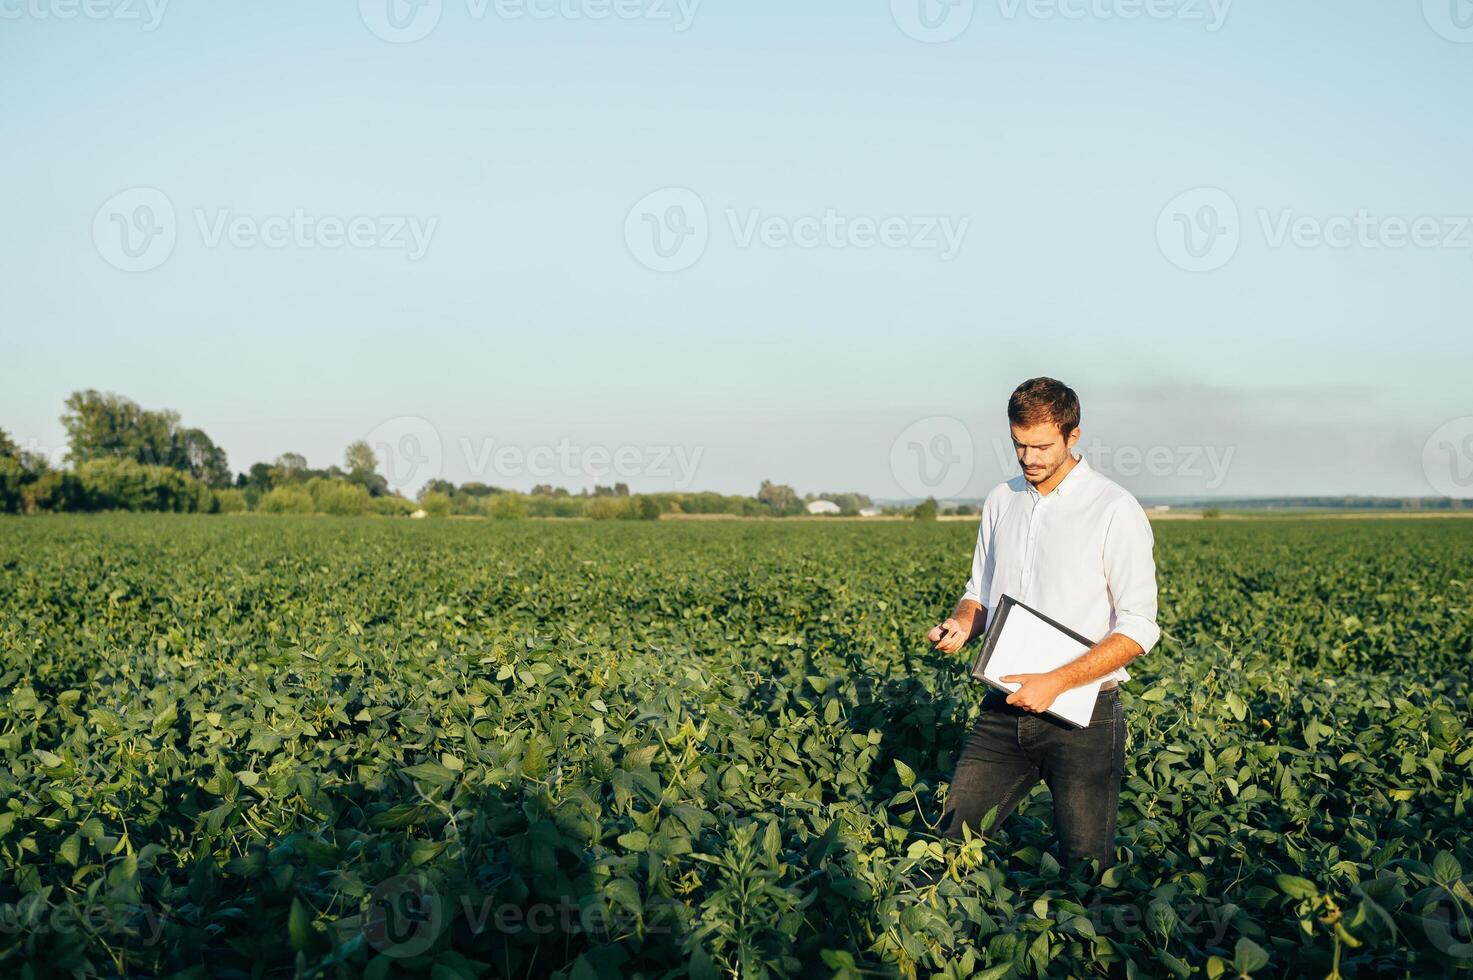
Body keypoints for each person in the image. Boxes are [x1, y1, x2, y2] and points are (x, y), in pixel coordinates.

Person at [926, 377, 1160, 879]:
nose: (1028, 457)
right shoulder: (1001, 500)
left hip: (1084, 717)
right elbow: (979, 594)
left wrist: (1056, 682)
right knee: (948, 845)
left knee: (1086, 869)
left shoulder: (1113, 508)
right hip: (1002, 705)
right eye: (1018, 444)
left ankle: (1085, 953)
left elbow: (1140, 628)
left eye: (1041, 446)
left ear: (1073, 437)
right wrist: (962, 623)